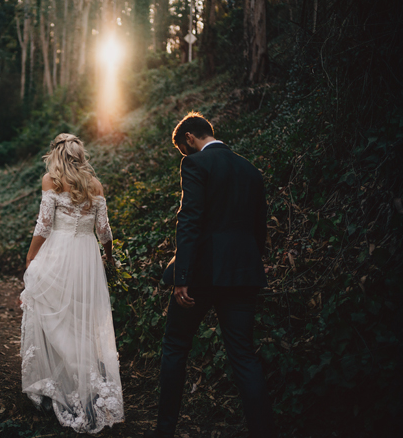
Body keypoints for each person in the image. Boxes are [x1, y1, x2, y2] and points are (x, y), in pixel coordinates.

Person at [147, 112, 275, 438]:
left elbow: (189, 220)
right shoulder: (250, 170)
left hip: (202, 274)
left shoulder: (195, 165)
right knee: (244, 356)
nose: (184, 156)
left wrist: (182, 275)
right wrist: (248, 264)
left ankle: (165, 431)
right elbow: (259, 229)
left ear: (189, 137)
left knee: (175, 345)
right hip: (243, 273)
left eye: (183, 149)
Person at [20, 133, 124, 434]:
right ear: (79, 156)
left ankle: (70, 380)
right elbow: (104, 230)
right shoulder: (95, 185)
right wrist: (109, 259)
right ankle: (88, 384)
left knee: (53, 313)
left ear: (58, 155)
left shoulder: (51, 180)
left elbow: (44, 224)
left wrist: (30, 258)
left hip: (60, 251)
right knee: (82, 319)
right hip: (87, 256)